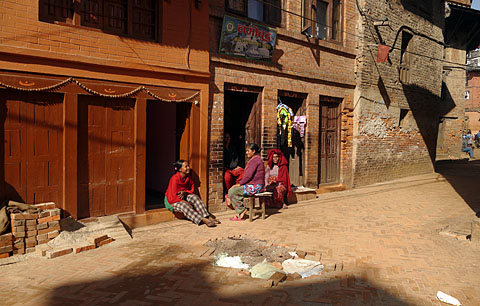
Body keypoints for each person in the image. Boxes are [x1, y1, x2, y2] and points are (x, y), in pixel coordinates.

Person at [166, 160, 220, 227]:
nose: (188, 168)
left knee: (195, 197)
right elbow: (172, 196)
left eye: (188, 166)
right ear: (180, 169)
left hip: (183, 197)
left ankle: (207, 216)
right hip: (172, 200)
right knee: (184, 206)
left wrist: (185, 192)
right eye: (186, 166)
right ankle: (203, 219)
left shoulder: (188, 178)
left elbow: (191, 190)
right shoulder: (174, 179)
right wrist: (186, 202)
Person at [226, 143, 265, 221]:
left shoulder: (255, 160)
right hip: (255, 185)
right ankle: (241, 211)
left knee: (232, 191)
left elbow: (248, 176)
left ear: (253, 151)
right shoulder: (255, 160)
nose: (246, 153)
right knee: (232, 191)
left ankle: (242, 211)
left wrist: (239, 184)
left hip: (256, 187)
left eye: (248, 151)